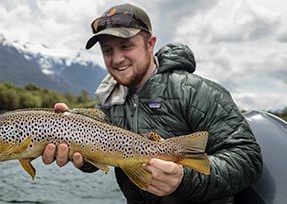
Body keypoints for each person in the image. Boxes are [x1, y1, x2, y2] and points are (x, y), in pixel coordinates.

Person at [42, 3, 262, 204]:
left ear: (150, 44)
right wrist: (80, 156)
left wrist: (184, 180)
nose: (117, 59)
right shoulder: (110, 104)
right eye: (108, 50)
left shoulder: (197, 92)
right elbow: (107, 154)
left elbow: (248, 158)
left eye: (126, 46)